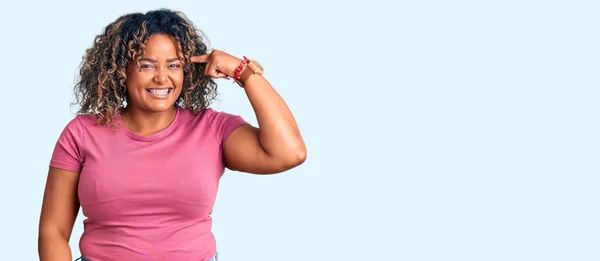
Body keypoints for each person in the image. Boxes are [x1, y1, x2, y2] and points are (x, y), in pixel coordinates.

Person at [37, 8, 306, 261]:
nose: (162, 78)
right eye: (147, 65)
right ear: (121, 71)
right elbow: (53, 231)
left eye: (174, 65)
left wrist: (243, 71)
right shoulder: (83, 132)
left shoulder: (211, 129)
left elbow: (289, 152)